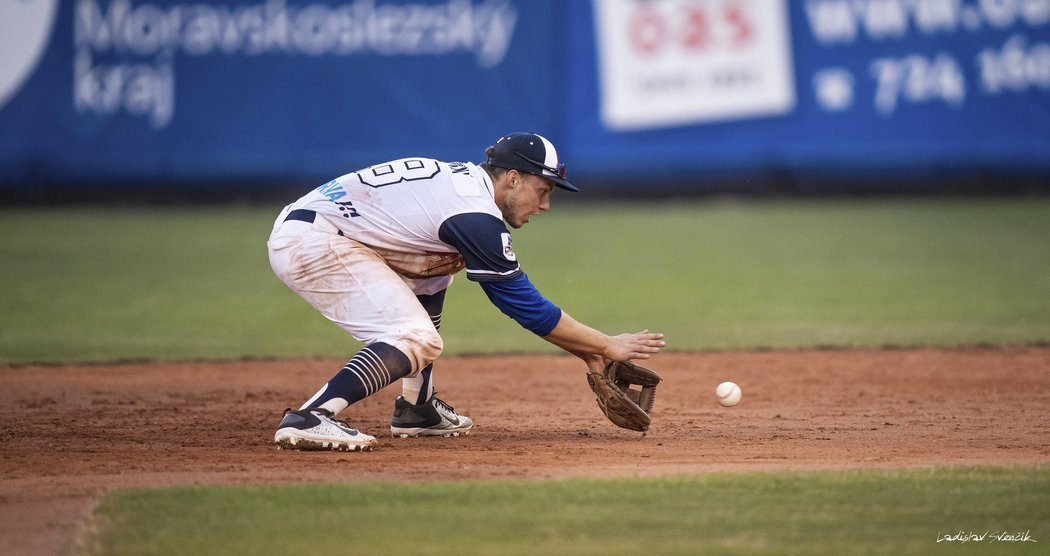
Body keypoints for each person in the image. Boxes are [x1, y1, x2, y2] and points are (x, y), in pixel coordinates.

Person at [266, 132, 666, 451]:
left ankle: (417, 409)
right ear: (513, 178)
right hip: (315, 240)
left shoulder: (460, 195)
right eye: (543, 191)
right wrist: (603, 345)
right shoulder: (473, 213)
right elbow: (523, 305)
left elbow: (428, 286)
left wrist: (590, 352)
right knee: (413, 337)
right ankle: (311, 417)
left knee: (437, 271)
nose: (544, 205)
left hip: (322, 231)